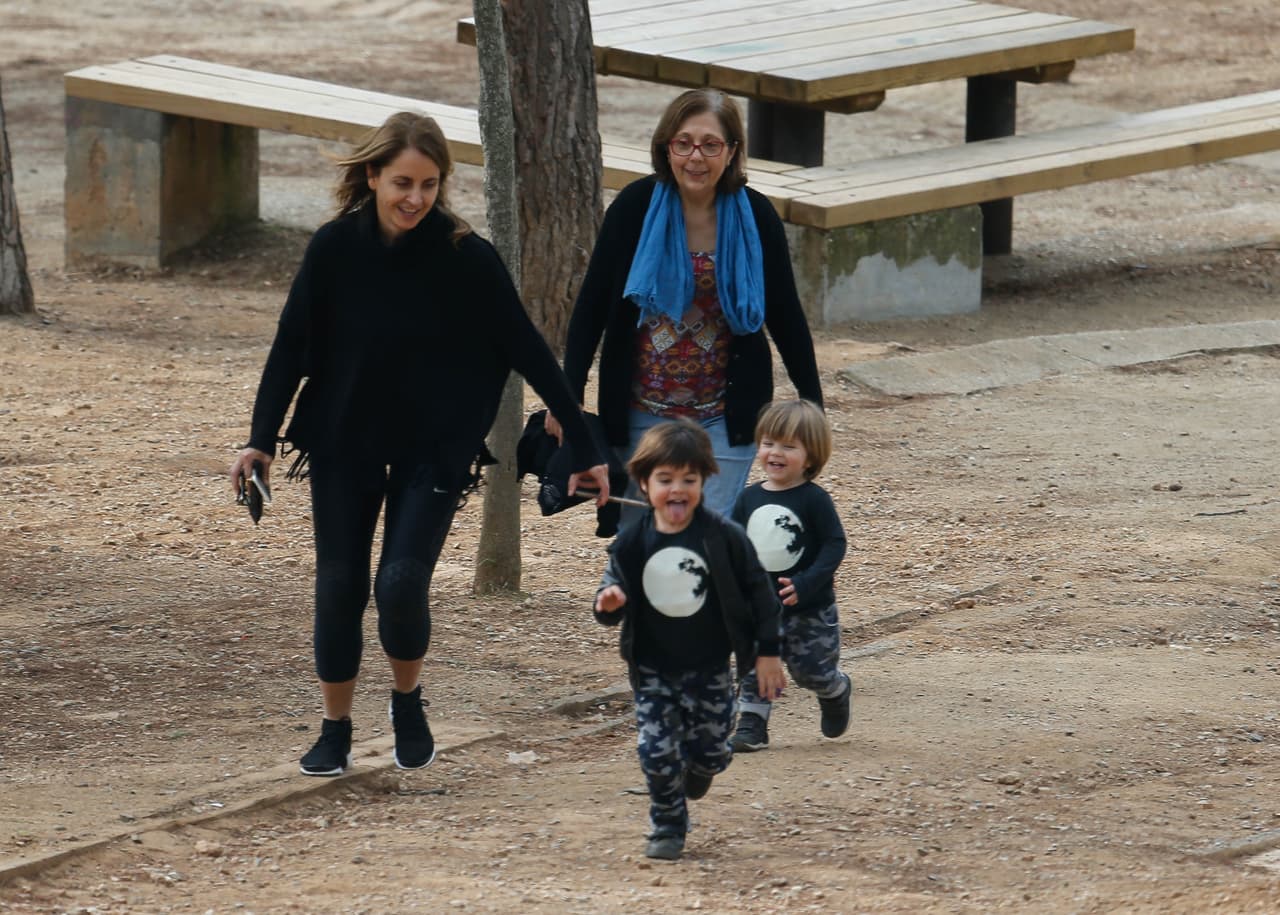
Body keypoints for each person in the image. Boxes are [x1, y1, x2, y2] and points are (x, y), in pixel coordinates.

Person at [228, 112, 610, 777]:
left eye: (430, 185)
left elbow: (526, 348)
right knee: (341, 586)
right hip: (344, 437)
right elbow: (291, 347)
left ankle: (408, 701)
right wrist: (260, 440)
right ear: (372, 175)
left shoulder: (466, 256)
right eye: (402, 182)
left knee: (401, 582)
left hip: (434, 445)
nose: (415, 198)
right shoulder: (333, 248)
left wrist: (584, 442)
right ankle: (336, 727)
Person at [548, 88, 823, 522]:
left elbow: (786, 316)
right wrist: (568, 396)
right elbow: (592, 306)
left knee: (708, 542)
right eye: (683, 143)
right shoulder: (634, 208)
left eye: (711, 145)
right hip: (640, 412)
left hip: (725, 417)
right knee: (643, 545)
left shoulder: (756, 216)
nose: (696, 157)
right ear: (666, 148)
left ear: (732, 151)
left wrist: (813, 405)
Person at [593, 418, 785, 860]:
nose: (677, 489)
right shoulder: (631, 542)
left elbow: (762, 596)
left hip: (711, 667)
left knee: (713, 750)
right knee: (656, 751)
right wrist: (610, 602)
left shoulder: (723, 537)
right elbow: (608, 594)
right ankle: (667, 823)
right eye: (665, 479)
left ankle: (703, 767)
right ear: (643, 483)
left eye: (689, 479)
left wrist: (768, 653)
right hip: (653, 669)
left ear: (704, 481)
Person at [728, 399, 850, 752]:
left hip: (808, 608)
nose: (775, 453)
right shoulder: (747, 498)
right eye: (768, 443)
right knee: (753, 665)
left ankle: (835, 690)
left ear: (811, 456)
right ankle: (752, 725)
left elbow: (834, 545)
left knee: (809, 671)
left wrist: (807, 583)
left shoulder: (814, 500)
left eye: (788, 446)